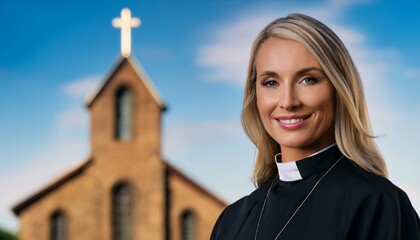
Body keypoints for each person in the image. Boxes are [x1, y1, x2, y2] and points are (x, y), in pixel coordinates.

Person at [211, 13, 420, 240]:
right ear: (255, 96)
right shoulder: (232, 220)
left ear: (339, 89)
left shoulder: (378, 203)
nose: (288, 101)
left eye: (308, 79)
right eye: (271, 83)